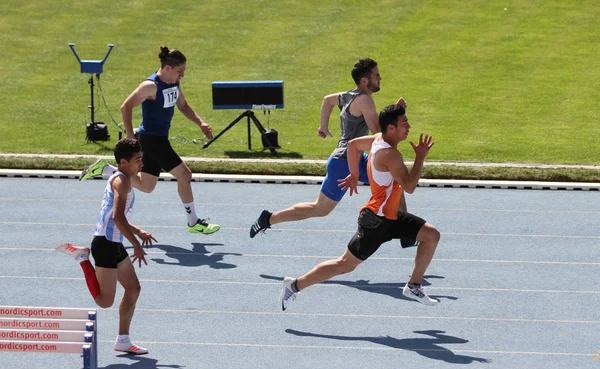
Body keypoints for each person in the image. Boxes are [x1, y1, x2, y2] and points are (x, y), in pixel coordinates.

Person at [278, 104, 440, 310]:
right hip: (376, 222)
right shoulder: (390, 154)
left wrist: (354, 174)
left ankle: (414, 285)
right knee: (344, 265)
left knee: (431, 235)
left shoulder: (377, 139)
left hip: (391, 217)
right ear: (391, 128)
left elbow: (353, 145)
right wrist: (420, 158)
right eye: (404, 123)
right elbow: (409, 187)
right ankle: (294, 285)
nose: (408, 126)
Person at [250, 58, 411, 240]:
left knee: (396, 178)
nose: (380, 78)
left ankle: (405, 232)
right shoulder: (365, 101)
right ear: (365, 80)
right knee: (320, 209)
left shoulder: (347, 96)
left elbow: (327, 101)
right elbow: (379, 135)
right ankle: (269, 219)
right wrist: (396, 112)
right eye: (376, 75)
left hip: (355, 158)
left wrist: (323, 127)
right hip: (344, 163)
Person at [79, 46, 220, 235]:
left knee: (146, 186)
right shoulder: (150, 86)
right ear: (168, 68)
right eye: (180, 71)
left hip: (159, 139)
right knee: (185, 175)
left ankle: (105, 169)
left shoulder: (174, 84)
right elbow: (126, 106)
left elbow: (183, 106)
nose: (183, 75)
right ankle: (193, 222)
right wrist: (129, 136)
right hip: (151, 141)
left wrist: (200, 123)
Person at [56, 138, 157, 354]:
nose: (141, 164)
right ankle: (83, 259)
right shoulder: (122, 182)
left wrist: (138, 231)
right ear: (123, 162)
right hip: (105, 245)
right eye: (137, 160)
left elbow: (116, 218)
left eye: (142, 159)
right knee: (104, 301)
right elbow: (118, 218)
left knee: (133, 288)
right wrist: (136, 245)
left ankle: (123, 340)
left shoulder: (122, 178)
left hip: (113, 243)